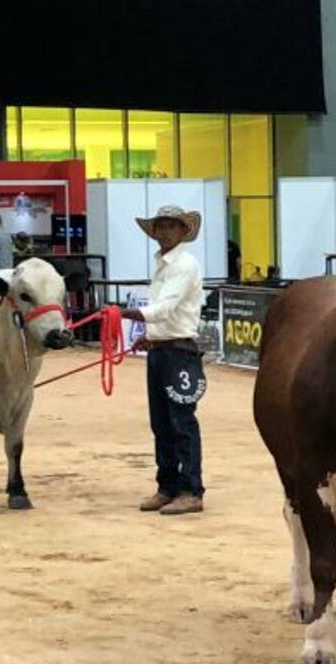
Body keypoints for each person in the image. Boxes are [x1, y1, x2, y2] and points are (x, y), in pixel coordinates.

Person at [120, 205, 206, 516]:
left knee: (181, 423)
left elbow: (165, 309)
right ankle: (168, 486)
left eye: (172, 226)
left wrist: (123, 313)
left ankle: (191, 490)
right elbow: (166, 313)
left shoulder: (184, 265)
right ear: (155, 231)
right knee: (162, 424)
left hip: (178, 353)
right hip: (163, 350)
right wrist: (151, 336)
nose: (166, 232)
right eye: (162, 226)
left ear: (183, 231)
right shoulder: (166, 264)